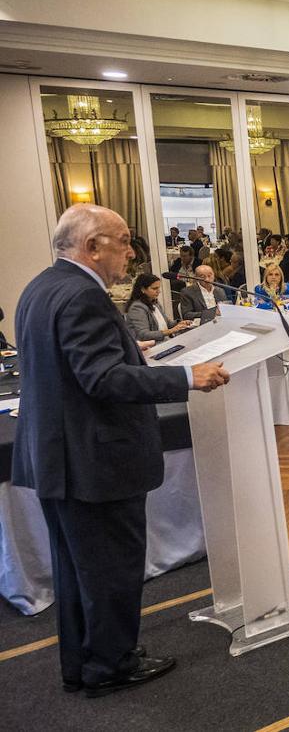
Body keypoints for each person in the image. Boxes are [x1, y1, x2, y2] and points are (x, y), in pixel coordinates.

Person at [13, 204, 229, 698]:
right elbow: (102, 378)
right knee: (111, 570)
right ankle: (112, 664)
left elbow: (77, 368)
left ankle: (84, 663)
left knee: (77, 572)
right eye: (124, 241)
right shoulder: (84, 298)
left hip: (59, 459)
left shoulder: (40, 288)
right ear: (92, 246)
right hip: (96, 462)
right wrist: (183, 377)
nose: (131, 253)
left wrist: (139, 357)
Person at [124, 273, 192, 343]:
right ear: (143, 289)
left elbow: (167, 324)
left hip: (165, 342)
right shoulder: (137, 308)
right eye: (154, 288)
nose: (158, 291)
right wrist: (170, 331)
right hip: (151, 347)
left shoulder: (154, 302)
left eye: (158, 288)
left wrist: (179, 323)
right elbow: (143, 335)